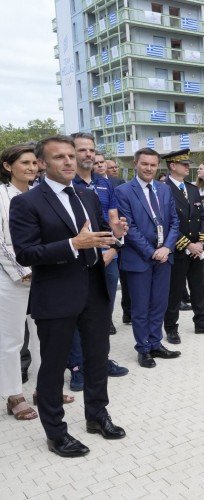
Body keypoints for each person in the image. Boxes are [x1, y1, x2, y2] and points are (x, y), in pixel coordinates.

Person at [9, 135, 128, 457]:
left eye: (71, 156)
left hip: (94, 290)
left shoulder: (87, 195)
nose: (68, 162)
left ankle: (97, 416)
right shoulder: (26, 202)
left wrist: (114, 237)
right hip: (56, 295)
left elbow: (98, 234)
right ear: (43, 164)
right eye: (59, 157)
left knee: (96, 359)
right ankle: (56, 433)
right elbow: (25, 253)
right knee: (53, 367)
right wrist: (74, 244)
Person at [69, 132, 128, 383]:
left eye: (91, 150)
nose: (88, 154)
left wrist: (114, 246)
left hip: (108, 257)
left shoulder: (105, 183)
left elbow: (112, 222)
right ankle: (77, 367)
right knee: (76, 314)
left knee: (102, 313)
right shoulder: (67, 184)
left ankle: (100, 360)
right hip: (76, 261)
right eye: (82, 150)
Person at [115, 148, 182, 368]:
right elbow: (129, 227)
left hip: (164, 257)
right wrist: (151, 251)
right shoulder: (124, 191)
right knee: (141, 307)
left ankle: (156, 344)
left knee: (159, 304)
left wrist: (167, 248)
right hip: (139, 258)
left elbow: (174, 222)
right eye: (145, 164)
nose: (149, 168)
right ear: (136, 163)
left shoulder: (164, 190)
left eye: (153, 165)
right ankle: (143, 349)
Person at [1, 144, 49, 421]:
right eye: (25, 163)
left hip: (44, 275)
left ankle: (44, 389)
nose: (32, 168)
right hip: (11, 278)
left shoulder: (40, 195)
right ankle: (13, 395)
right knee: (12, 338)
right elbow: (1, 243)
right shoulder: (1, 196)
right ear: (8, 166)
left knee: (43, 335)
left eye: (34, 163)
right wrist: (22, 271)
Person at [162, 149, 204, 343]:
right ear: (172, 166)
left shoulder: (193, 189)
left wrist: (201, 242)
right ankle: (171, 328)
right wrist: (188, 245)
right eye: (184, 164)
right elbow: (166, 222)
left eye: (188, 163)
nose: (188, 166)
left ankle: (201, 323)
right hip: (178, 249)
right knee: (174, 290)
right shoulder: (162, 189)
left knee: (198, 288)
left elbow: (202, 217)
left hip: (197, 249)